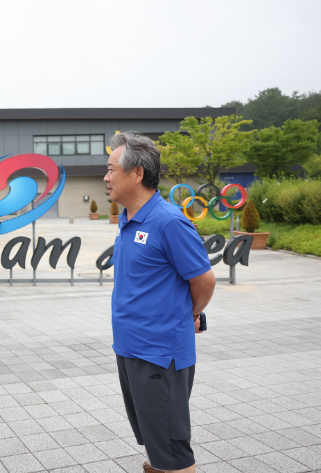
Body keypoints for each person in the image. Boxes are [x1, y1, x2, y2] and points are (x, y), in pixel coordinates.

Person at [105, 132, 216, 473]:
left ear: (137, 173)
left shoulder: (169, 221)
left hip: (159, 355)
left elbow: (204, 280)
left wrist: (191, 314)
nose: (106, 178)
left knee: (171, 448)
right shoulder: (129, 218)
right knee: (157, 442)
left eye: (111, 169)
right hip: (131, 349)